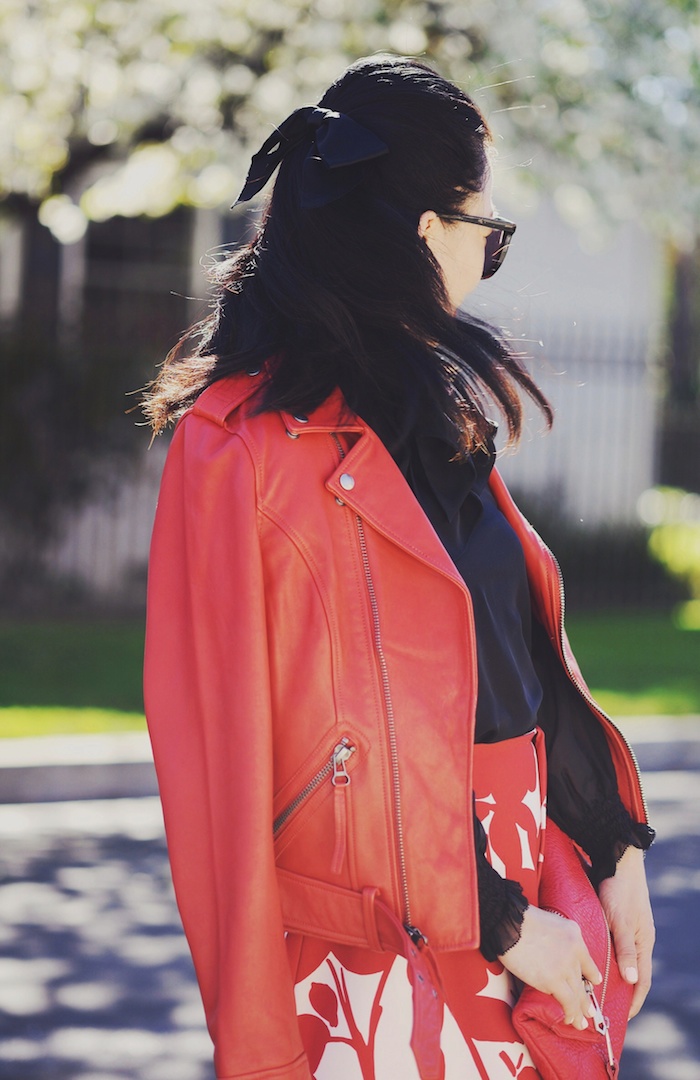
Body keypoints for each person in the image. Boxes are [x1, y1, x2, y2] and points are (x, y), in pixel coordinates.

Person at [143, 55, 655, 1080]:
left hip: (519, 884)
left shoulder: (437, 416)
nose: (488, 259)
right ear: (426, 229)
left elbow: (516, 655)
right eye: (489, 232)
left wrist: (612, 849)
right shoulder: (238, 451)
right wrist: (501, 926)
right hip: (377, 953)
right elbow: (234, 774)